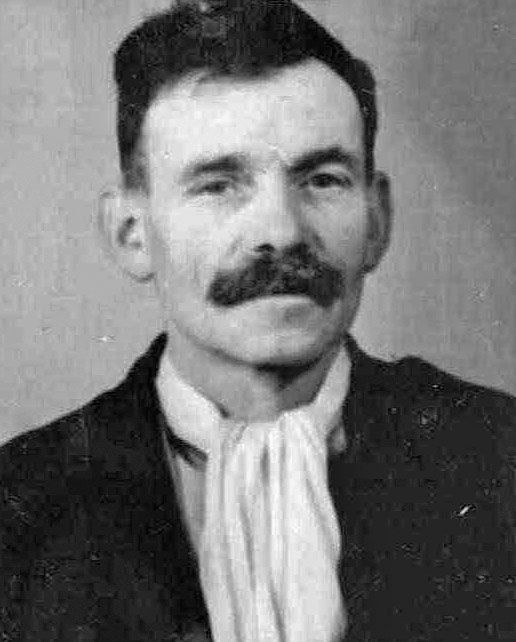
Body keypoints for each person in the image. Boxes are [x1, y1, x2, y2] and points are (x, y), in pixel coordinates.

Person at [1, 0, 515, 640]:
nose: (281, 230)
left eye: (322, 180)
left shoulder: (498, 461)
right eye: (218, 185)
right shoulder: (19, 510)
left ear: (377, 220)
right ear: (131, 233)